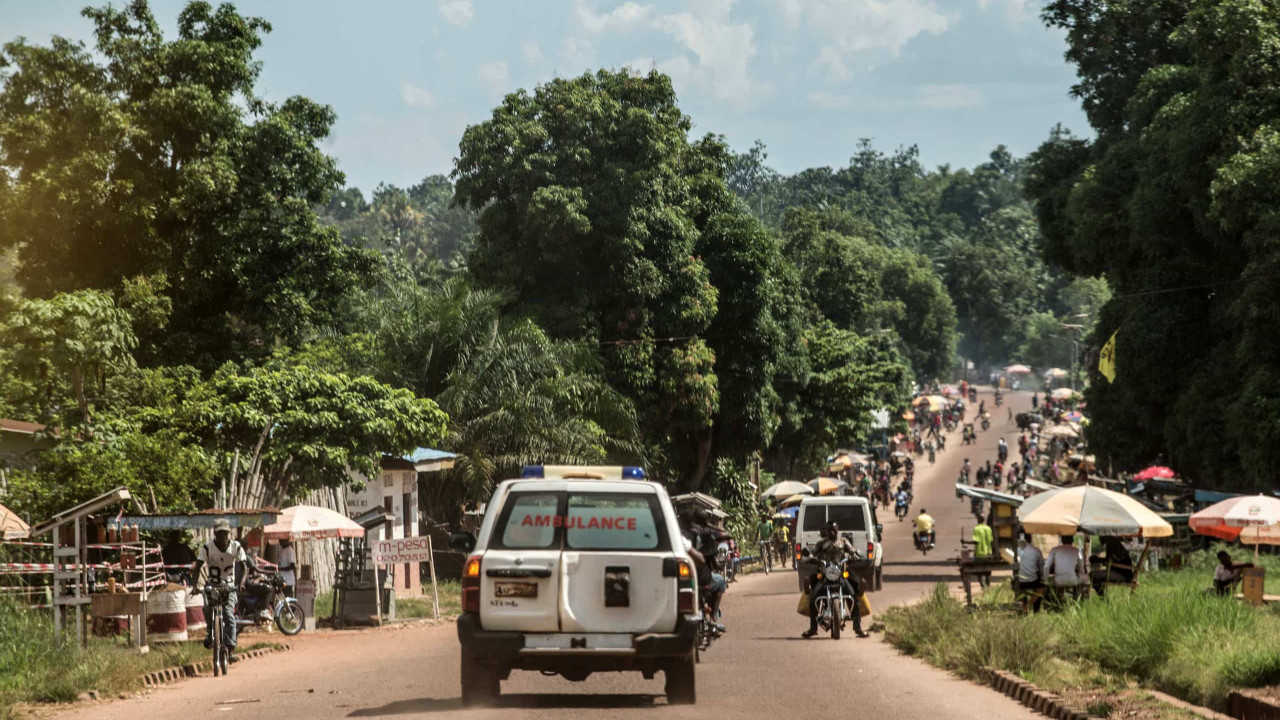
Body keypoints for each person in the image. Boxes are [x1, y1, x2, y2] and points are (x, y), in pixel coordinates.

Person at [192, 519, 248, 662]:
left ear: (229, 533)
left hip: (229, 587)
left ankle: (230, 649)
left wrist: (241, 583)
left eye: (225, 533)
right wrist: (195, 586)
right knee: (207, 609)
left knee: (229, 615)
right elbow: (197, 567)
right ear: (215, 534)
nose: (223, 537)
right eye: (220, 533)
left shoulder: (236, 547)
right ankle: (210, 633)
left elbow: (244, 567)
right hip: (213, 586)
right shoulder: (207, 548)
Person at [802, 522, 867, 639]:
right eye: (829, 530)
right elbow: (813, 553)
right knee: (813, 598)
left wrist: (854, 555)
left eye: (834, 530)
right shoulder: (821, 543)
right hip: (824, 574)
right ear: (826, 531)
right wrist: (811, 557)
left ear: (837, 530)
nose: (832, 532)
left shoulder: (843, 541)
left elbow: (852, 550)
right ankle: (813, 628)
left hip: (840, 573)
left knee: (854, 597)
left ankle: (858, 628)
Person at [1015, 534, 1045, 612]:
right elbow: (1042, 568)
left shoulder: (1017, 550)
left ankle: (1024, 605)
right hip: (1032, 581)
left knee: (1022, 590)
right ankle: (1033, 607)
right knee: (1042, 588)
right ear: (1031, 539)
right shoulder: (1036, 551)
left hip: (1020, 581)